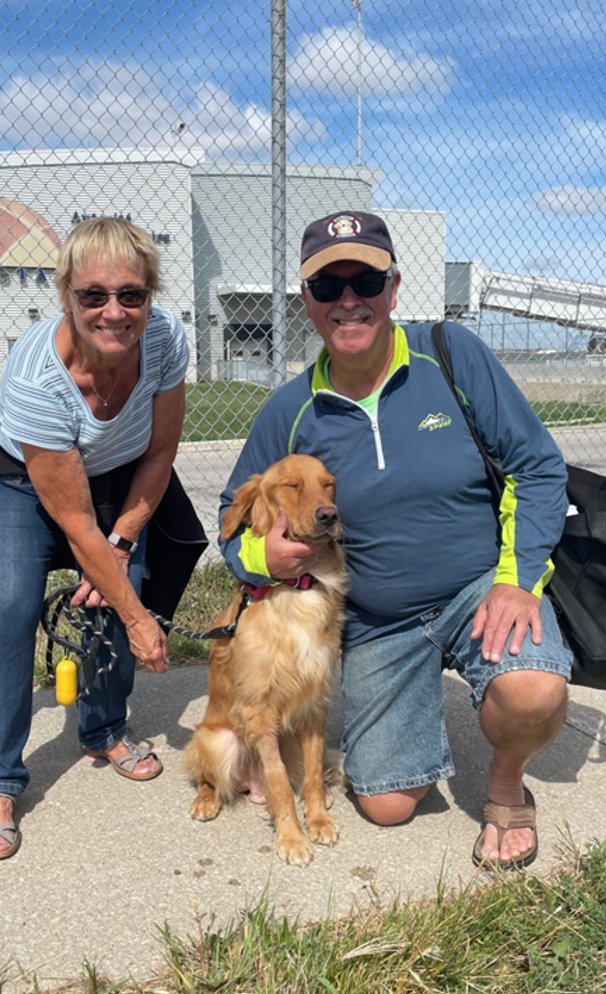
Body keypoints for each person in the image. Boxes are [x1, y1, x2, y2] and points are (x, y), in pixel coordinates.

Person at [218, 211, 573, 870]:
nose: (349, 300)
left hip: (478, 589)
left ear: (394, 286)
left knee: (532, 692)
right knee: (386, 805)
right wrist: (261, 557)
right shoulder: (289, 408)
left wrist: (515, 579)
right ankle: (417, 711)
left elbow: (537, 465)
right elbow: (230, 517)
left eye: (365, 280)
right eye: (329, 287)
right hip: (379, 623)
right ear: (308, 302)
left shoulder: (451, 354)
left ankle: (503, 782)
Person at [0, 217, 205, 861]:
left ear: (151, 297)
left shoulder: (164, 340)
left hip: (121, 474)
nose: (113, 311)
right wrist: (139, 621)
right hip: (20, 481)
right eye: (92, 296)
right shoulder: (36, 377)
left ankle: (102, 727)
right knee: (13, 602)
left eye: (131, 294)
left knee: (119, 582)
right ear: (66, 295)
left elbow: (160, 456)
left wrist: (124, 542)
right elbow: (73, 521)